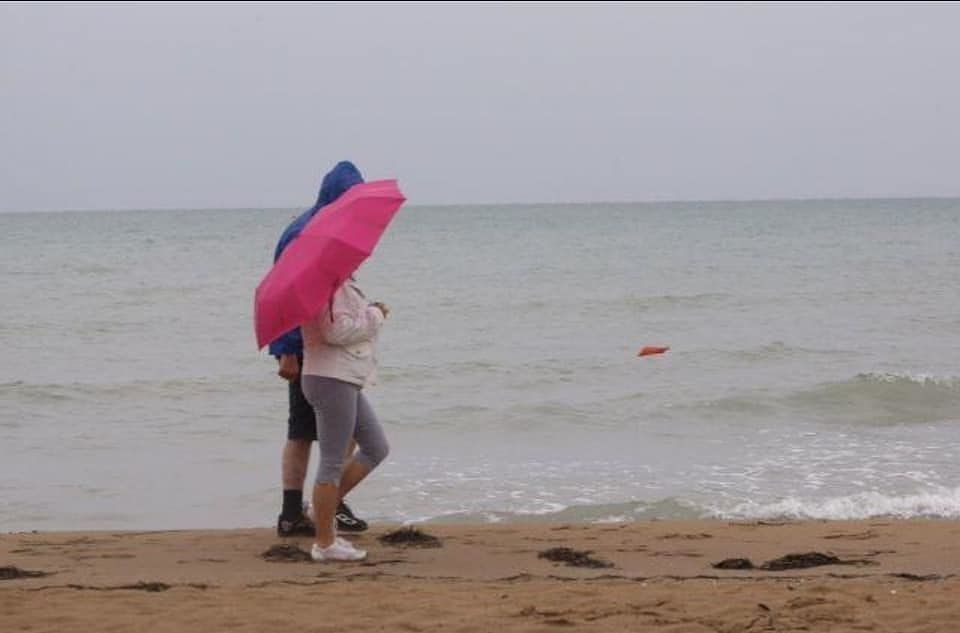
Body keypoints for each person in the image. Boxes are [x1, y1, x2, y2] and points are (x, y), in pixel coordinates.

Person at [270, 161, 370, 537]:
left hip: (326, 351)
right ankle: (304, 510)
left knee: (341, 433)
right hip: (307, 351)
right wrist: (287, 350)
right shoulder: (304, 233)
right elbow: (284, 292)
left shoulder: (333, 228)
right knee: (310, 434)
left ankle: (317, 505)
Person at [301, 275, 391, 561]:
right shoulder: (328, 286)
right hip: (331, 378)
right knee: (332, 460)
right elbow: (335, 332)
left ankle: (323, 509)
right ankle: (325, 543)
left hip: (343, 376)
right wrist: (376, 314)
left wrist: (369, 310)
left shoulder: (339, 285)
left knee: (376, 446)